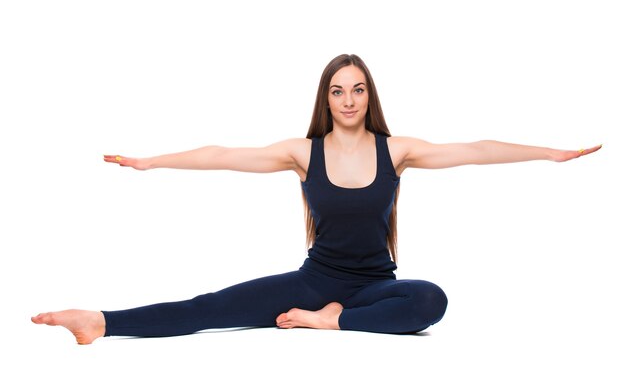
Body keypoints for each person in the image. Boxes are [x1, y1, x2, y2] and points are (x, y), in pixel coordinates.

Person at [31, 54, 601, 345]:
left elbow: (476, 148)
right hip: (312, 282)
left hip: (377, 285)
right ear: (326, 98)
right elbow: (224, 153)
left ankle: (334, 323)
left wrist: (549, 153)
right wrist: (152, 161)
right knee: (207, 308)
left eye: (357, 89)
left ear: (368, 95)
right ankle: (101, 322)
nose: (348, 99)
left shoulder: (396, 150)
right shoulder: (304, 153)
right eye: (337, 90)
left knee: (432, 300)